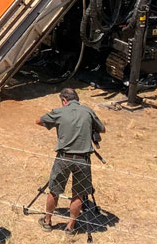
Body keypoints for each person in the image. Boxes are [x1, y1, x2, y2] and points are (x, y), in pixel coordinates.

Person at [36, 87, 105, 235]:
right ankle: (70, 227)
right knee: (78, 194)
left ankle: (48, 221)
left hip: (63, 158)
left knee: (54, 190)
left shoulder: (60, 112)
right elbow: (102, 129)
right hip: (83, 160)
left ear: (64, 100)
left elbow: (39, 121)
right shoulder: (88, 111)